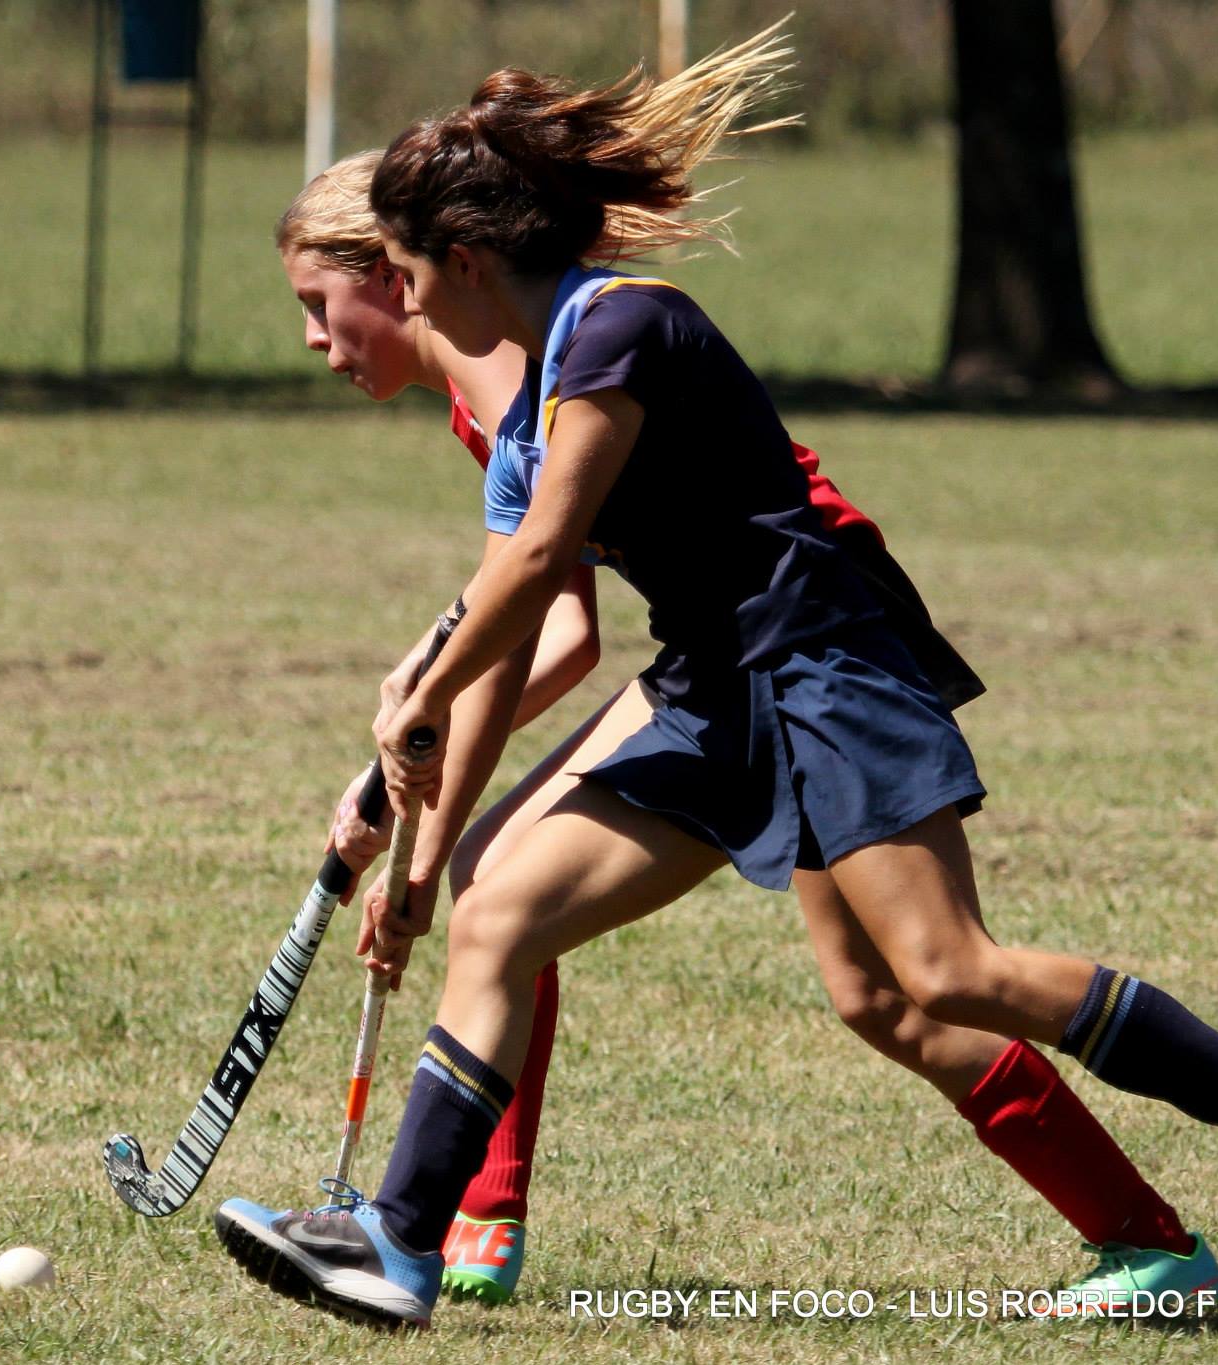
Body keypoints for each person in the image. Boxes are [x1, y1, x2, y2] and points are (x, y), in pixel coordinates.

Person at [228, 31, 1218, 1323]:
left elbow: (548, 552)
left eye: (413, 278)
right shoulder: (528, 388)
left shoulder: (624, 328)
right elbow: (517, 586)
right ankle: (403, 1241)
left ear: (474, 263)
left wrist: (421, 695)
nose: (411, 302)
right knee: (503, 913)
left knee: (942, 974)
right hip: (713, 684)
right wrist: (426, 834)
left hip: (823, 660)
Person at [276, 150, 927, 1305]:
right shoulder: (493, 399)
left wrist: (418, 726)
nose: (317, 344)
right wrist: (415, 809)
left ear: (394, 274)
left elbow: (543, 618)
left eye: (318, 309)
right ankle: (454, 1226)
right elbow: (524, 612)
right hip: (728, 656)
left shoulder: (535, 366)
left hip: (806, 644)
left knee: (912, 983)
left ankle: (1217, 1156)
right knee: (500, 902)